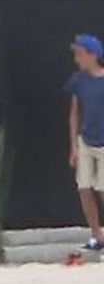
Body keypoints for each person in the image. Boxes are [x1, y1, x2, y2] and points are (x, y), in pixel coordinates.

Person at [64, 33, 104, 252]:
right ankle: (96, 235)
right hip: (86, 141)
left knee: (102, 189)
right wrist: (73, 146)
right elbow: (74, 113)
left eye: (80, 54)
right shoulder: (78, 80)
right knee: (85, 188)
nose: (77, 59)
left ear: (92, 55)